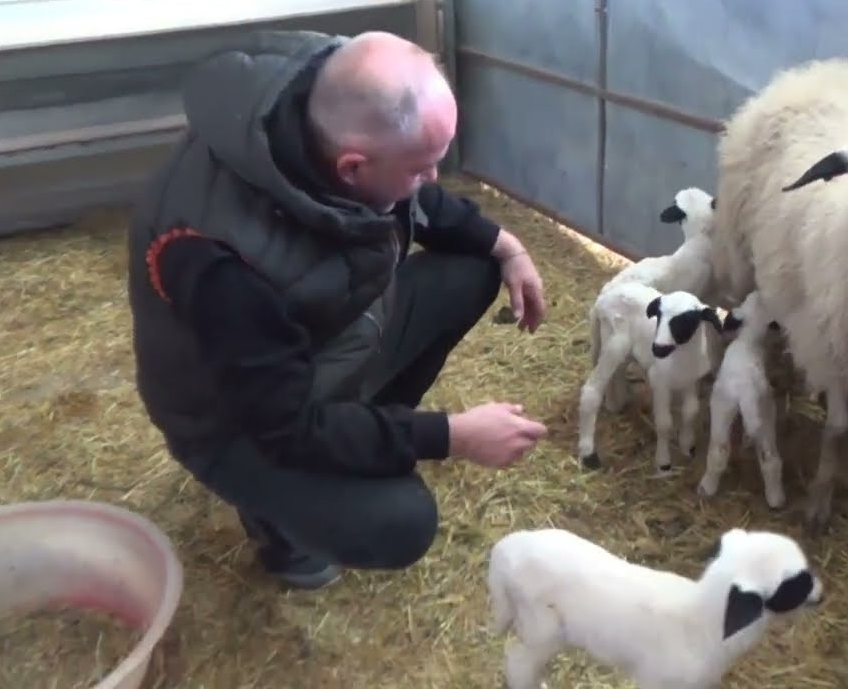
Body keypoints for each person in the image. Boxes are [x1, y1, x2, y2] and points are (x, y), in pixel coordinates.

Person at [125, 29, 549, 590]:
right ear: (351, 169)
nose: (432, 179)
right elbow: (286, 425)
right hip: (235, 418)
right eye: (422, 167)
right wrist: (451, 435)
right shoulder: (219, 261)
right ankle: (278, 526)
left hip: (313, 343)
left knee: (472, 266)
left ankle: (365, 431)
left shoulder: (324, 98)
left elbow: (420, 197)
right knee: (400, 523)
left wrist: (506, 247)